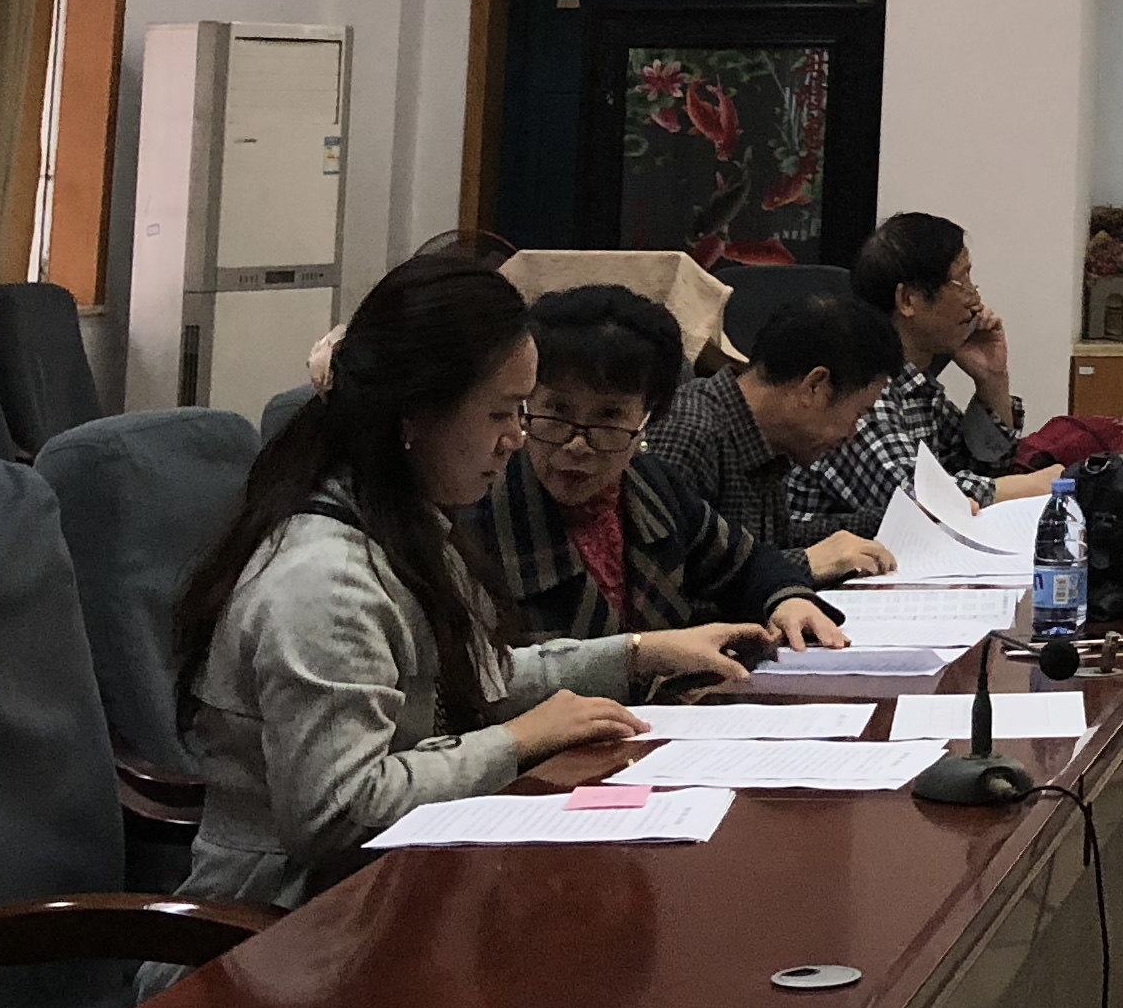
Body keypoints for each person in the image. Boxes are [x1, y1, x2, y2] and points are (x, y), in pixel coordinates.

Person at [164, 257, 770, 913]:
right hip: (277, 926)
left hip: (388, 895)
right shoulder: (326, 582)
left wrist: (640, 653)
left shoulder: (406, 524)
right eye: (502, 413)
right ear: (415, 415)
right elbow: (339, 811)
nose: (515, 440)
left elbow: (479, 678)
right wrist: (520, 739)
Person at [473, 285, 852, 653]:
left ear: (648, 419)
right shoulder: (484, 509)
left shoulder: (652, 487)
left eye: (609, 416)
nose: (577, 445)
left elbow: (746, 562)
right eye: (557, 411)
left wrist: (786, 601)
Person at [785, 214, 1061, 545]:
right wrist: (1036, 485)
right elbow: (923, 503)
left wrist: (992, 378)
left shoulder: (917, 387)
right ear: (908, 301)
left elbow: (989, 467)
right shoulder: (859, 387)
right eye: (962, 281)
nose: (975, 300)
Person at [643, 294, 904, 581]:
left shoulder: (760, 436)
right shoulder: (689, 432)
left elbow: (770, 544)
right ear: (815, 386)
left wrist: (893, 519)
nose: (852, 433)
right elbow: (667, 582)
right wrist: (805, 564)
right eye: (859, 413)